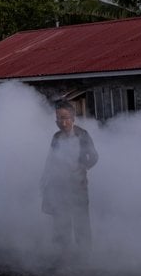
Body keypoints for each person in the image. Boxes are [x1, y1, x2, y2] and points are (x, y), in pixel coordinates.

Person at [40, 100, 98, 254]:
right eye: (58, 118)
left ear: (73, 118)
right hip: (59, 187)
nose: (61, 122)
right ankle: (62, 255)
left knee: (81, 222)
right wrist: (44, 179)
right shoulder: (56, 137)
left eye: (65, 117)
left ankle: (85, 256)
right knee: (60, 222)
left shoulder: (82, 135)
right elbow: (51, 159)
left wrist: (82, 167)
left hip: (78, 187)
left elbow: (93, 156)